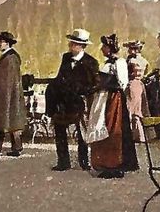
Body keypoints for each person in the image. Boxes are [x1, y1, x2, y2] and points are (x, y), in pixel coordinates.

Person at [84, 34, 139, 178]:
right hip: (103, 98)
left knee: (113, 129)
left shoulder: (119, 63)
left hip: (114, 100)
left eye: (104, 46)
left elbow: (122, 83)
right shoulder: (107, 63)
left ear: (110, 48)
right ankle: (103, 163)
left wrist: (106, 85)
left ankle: (114, 165)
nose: (102, 49)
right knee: (101, 126)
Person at [45, 28, 99, 171]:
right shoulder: (66, 58)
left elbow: (93, 84)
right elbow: (60, 77)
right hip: (64, 102)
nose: (70, 46)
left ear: (82, 46)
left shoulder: (91, 62)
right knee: (59, 129)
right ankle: (63, 162)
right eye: (70, 43)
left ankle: (84, 162)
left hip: (80, 103)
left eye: (74, 44)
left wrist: (79, 91)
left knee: (82, 133)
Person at [126, 60, 150, 143]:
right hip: (131, 104)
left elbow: (142, 96)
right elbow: (130, 97)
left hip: (137, 105)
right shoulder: (130, 84)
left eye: (140, 71)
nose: (138, 73)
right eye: (136, 71)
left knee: (137, 118)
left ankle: (139, 137)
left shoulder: (140, 84)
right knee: (132, 118)